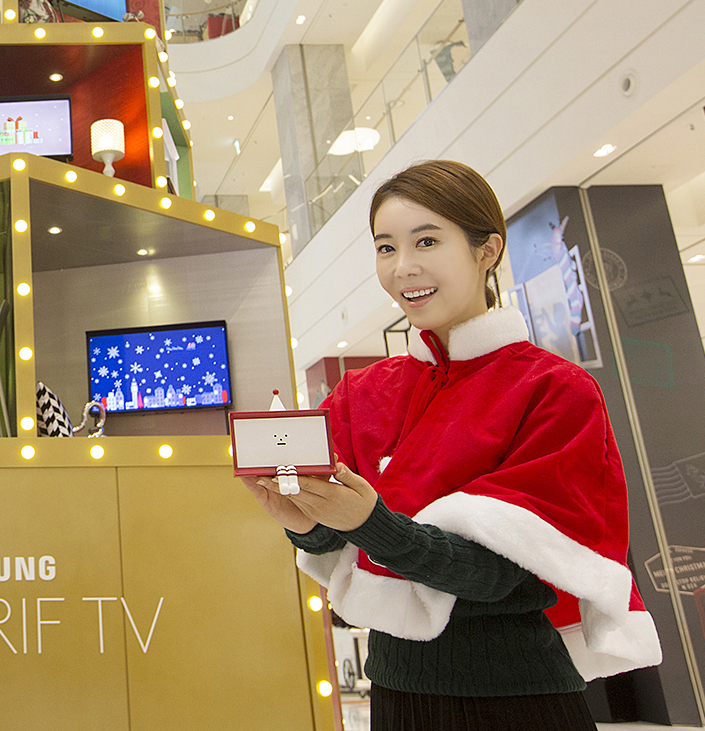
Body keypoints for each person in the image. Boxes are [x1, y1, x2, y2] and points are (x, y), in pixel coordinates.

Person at [247, 159, 661, 731]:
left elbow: (504, 574)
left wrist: (371, 522)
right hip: (394, 691)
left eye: (426, 241)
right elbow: (338, 544)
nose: (403, 267)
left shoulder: (553, 389)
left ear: (487, 250)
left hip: (516, 696)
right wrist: (304, 522)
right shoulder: (360, 394)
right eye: (386, 247)